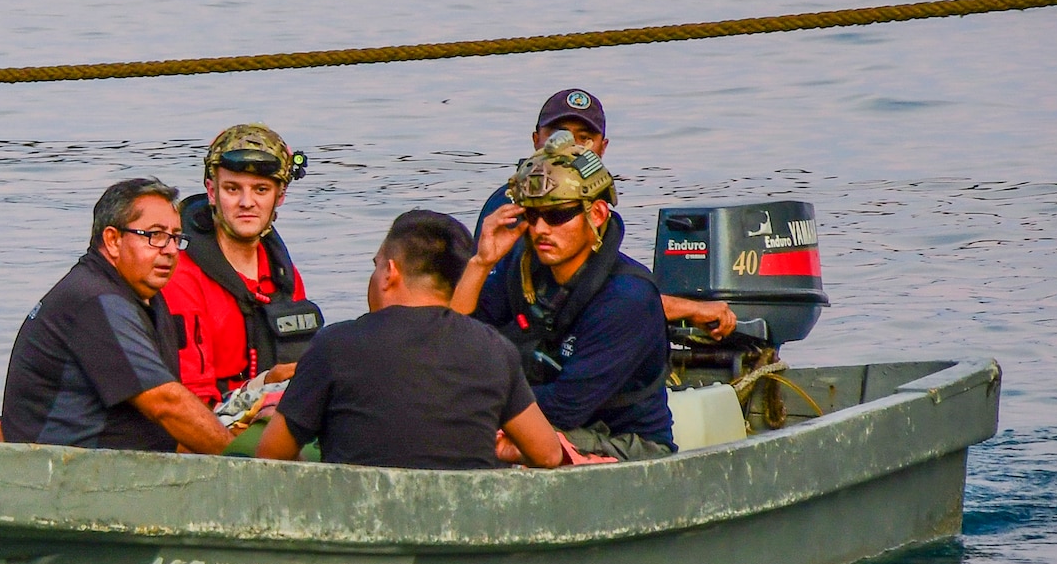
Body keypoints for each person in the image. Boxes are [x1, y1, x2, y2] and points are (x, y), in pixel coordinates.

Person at [256, 212, 563, 470]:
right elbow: (548, 454)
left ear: (390, 272)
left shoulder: (333, 345)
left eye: (376, 265)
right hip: (463, 528)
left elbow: (270, 457)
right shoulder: (495, 349)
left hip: (359, 528)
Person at [453, 140, 676, 460]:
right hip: (534, 418)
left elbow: (566, 406)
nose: (541, 229)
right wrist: (481, 264)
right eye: (532, 215)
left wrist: (471, 403)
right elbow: (455, 340)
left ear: (597, 214)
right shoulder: (522, 270)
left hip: (625, 442)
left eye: (557, 215)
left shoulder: (628, 299)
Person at [475, 87, 737, 342]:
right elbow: (581, 296)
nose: (570, 146)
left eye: (585, 137)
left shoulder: (592, 199)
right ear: (536, 140)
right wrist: (687, 308)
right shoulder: (513, 203)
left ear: (602, 147)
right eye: (557, 134)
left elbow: (599, 286)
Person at [1, 179, 232, 454]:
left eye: (175, 237)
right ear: (112, 240)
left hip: (115, 468)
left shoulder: (144, 297)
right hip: (61, 477)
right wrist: (244, 464)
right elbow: (167, 404)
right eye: (155, 235)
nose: (170, 250)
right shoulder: (94, 300)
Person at [164, 124, 324, 406]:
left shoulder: (284, 274)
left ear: (280, 196)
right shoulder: (181, 277)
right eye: (232, 189)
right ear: (212, 192)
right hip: (214, 425)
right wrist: (262, 388)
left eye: (261, 189)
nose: (246, 202)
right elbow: (192, 399)